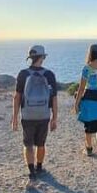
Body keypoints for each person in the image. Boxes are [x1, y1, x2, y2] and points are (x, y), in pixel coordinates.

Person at [12, 44, 58, 180]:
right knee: (41, 143)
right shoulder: (49, 75)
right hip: (44, 115)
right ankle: (39, 167)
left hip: (27, 115)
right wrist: (54, 118)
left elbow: (17, 96)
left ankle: (31, 172)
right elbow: (54, 98)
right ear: (42, 57)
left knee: (28, 144)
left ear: (31, 58)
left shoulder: (23, 74)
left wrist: (14, 118)